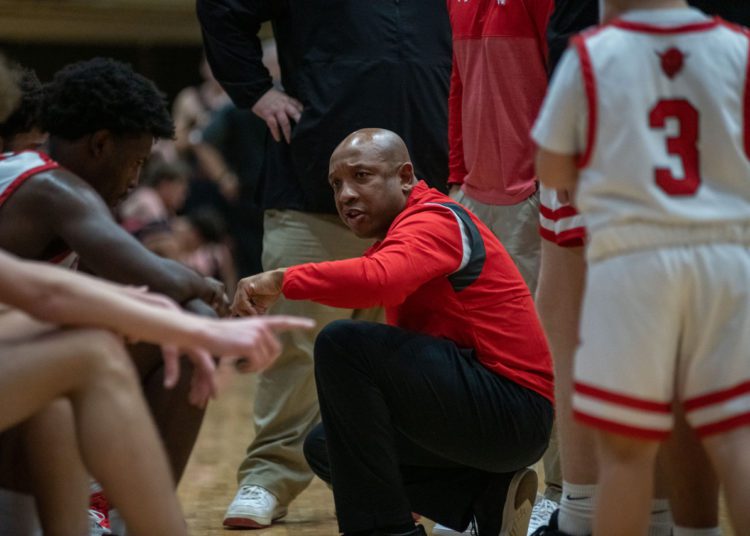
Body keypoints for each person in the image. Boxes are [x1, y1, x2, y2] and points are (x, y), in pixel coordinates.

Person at [197, 1, 453, 527]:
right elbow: (223, 7)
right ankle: (268, 476)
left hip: (425, 194)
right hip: (311, 185)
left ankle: (407, 484)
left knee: (411, 355)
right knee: (295, 341)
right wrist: (256, 92)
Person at [231, 128, 554, 536]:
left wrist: (283, 279)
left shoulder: (436, 218)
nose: (345, 195)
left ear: (404, 176)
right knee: (327, 446)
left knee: (343, 344)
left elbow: (381, 280)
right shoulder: (402, 232)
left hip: (514, 412)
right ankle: (486, 498)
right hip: (487, 412)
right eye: (336, 184)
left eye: (361, 176)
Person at [533, 1, 750, 534]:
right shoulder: (739, 45)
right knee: (734, 439)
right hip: (723, 261)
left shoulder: (590, 54)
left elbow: (552, 166)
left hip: (632, 264)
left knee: (626, 455)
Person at [0, 57, 227, 487]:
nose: (135, 179)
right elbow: (161, 279)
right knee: (193, 322)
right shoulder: (57, 189)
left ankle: (103, 497)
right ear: (100, 144)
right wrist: (210, 287)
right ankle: (133, 508)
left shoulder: (23, 167)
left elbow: (121, 282)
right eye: (136, 161)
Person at [0, 247, 313, 535]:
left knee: (57, 406)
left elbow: (35, 291)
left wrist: (141, 309)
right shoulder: (49, 203)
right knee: (95, 353)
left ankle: (116, 517)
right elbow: (44, 296)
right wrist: (186, 324)